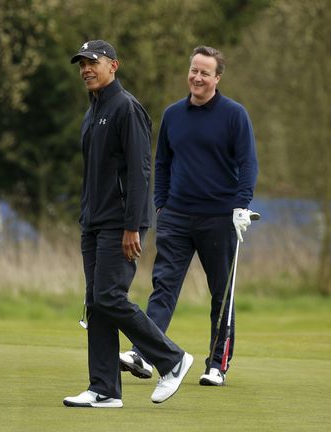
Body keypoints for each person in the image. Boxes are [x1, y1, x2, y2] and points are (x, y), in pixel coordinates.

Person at [63, 40, 193, 408]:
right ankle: (104, 388)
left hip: (120, 224)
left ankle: (172, 359)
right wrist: (85, 217)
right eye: (82, 64)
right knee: (96, 302)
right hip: (93, 222)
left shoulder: (126, 108)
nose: (86, 69)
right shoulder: (93, 111)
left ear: (114, 65)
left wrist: (134, 225)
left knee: (108, 296)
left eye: (94, 62)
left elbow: (140, 171)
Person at [119, 45, 258, 387]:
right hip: (177, 216)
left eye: (205, 72)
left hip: (219, 218)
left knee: (221, 294)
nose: (197, 77)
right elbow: (162, 163)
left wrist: (241, 205)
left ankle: (216, 365)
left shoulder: (234, 114)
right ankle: (143, 353)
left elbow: (248, 163)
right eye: (194, 70)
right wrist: (162, 204)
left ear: (217, 78)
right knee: (163, 288)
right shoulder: (173, 114)